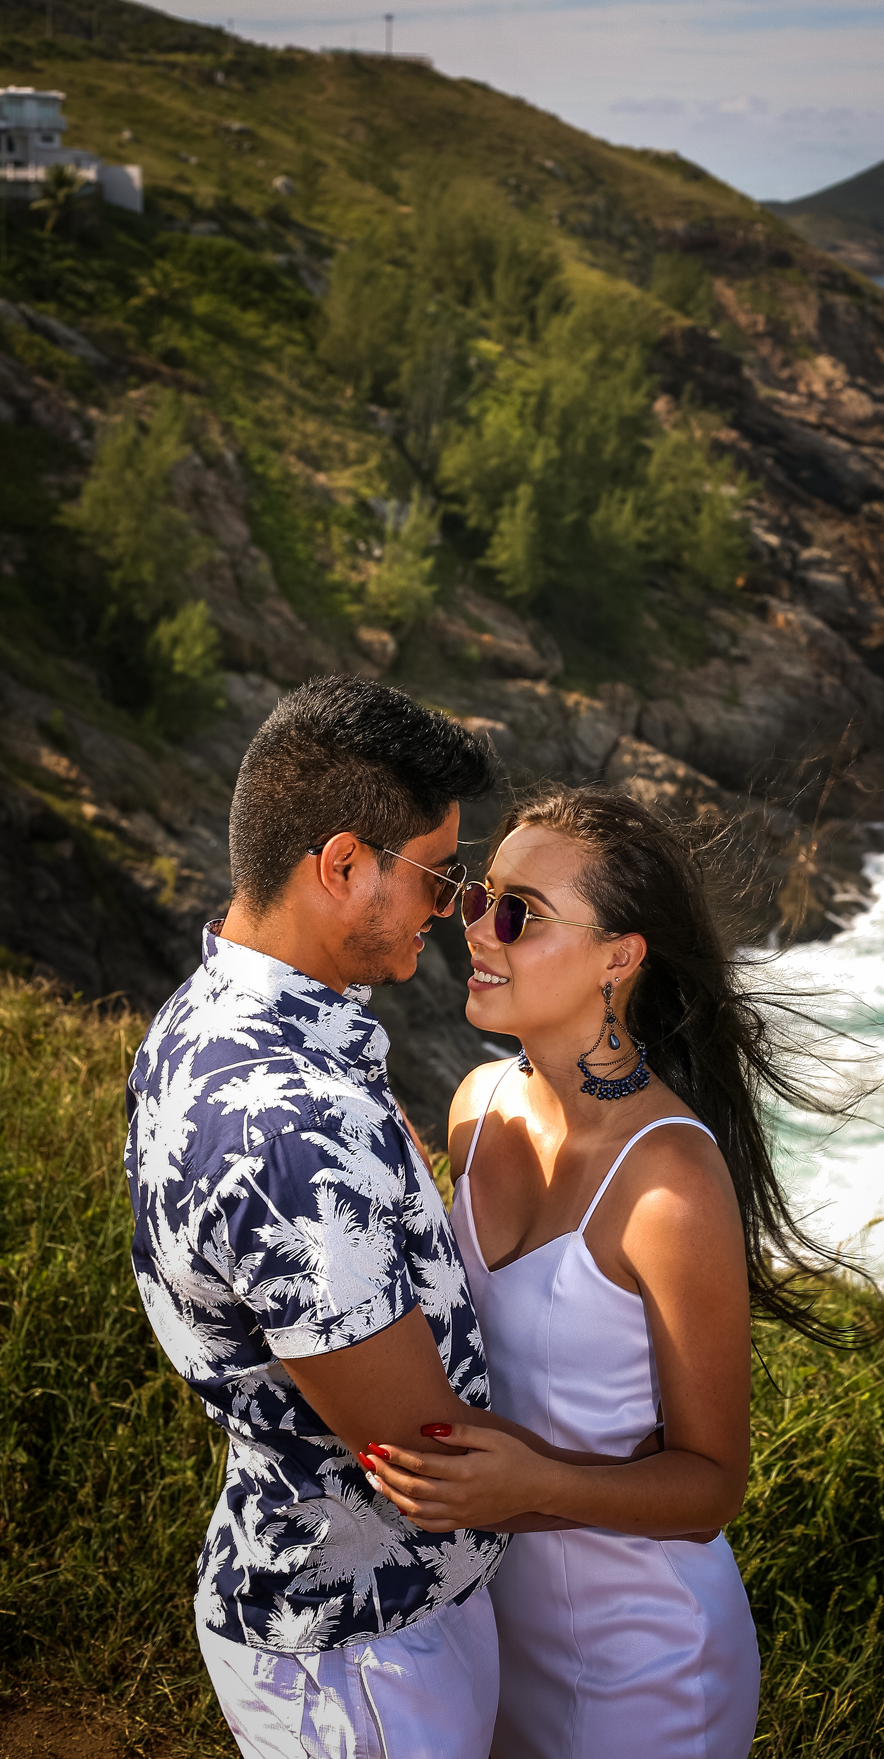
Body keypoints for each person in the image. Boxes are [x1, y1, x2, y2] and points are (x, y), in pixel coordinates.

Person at [124, 681, 646, 1759]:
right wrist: (663, 1506)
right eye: (441, 877)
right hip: (365, 1652)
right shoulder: (295, 1127)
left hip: (334, 1604)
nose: (455, 910)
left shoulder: (206, 1015)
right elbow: (427, 1455)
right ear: (343, 866)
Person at [366, 788, 854, 1759]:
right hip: (495, 1640)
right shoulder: (477, 1105)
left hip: (647, 1669)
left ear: (618, 959)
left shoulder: (672, 1183)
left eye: (521, 915)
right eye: (478, 897)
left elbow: (712, 1486)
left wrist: (532, 1484)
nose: (481, 932)